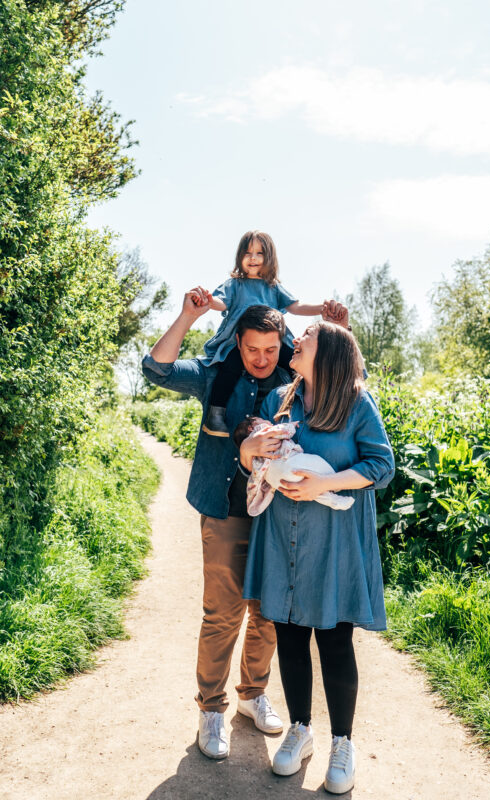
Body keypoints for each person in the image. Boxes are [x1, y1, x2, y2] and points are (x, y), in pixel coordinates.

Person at [141, 291, 348, 761]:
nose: (261, 359)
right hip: (224, 507)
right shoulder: (216, 373)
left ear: (284, 344)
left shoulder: (293, 379)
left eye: (271, 350)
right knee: (222, 612)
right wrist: (188, 315)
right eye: (252, 349)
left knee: (270, 612)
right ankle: (211, 708)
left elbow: (345, 387)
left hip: (278, 515)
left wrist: (338, 332)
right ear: (237, 341)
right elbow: (156, 370)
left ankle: (252, 695)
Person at [239, 322, 395, 794]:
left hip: (333, 543)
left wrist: (323, 484)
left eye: (305, 335)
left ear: (325, 350)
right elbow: (255, 457)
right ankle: (301, 730)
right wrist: (250, 454)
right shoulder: (279, 401)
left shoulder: (355, 401)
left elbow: (381, 465)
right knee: (288, 634)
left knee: (333, 639)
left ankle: (343, 743)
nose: (296, 340)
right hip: (283, 537)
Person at [196, 230, 340, 437]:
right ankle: (215, 415)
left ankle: (314, 403)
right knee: (230, 368)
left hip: (273, 340)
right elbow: (221, 303)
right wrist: (209, 301)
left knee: (295, 365)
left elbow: (296, 306)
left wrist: (321, 308)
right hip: (241, 343)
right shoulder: (234, 285)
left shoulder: (273, 287)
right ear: (240, 257)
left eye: (259, 253)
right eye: (247, 253)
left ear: (269, 257)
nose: (253, 258)